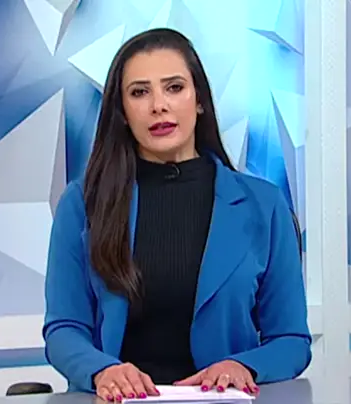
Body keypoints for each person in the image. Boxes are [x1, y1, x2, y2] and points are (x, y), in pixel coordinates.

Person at [42, 28, 311, 402]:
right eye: (139, 92)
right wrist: (103, 371)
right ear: (122, 113)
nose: (159, 105)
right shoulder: (82, 203)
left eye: (174, 87)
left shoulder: (264, 205)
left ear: (199, 100)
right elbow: (63, 329)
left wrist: (244, 366)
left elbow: (291, 340)